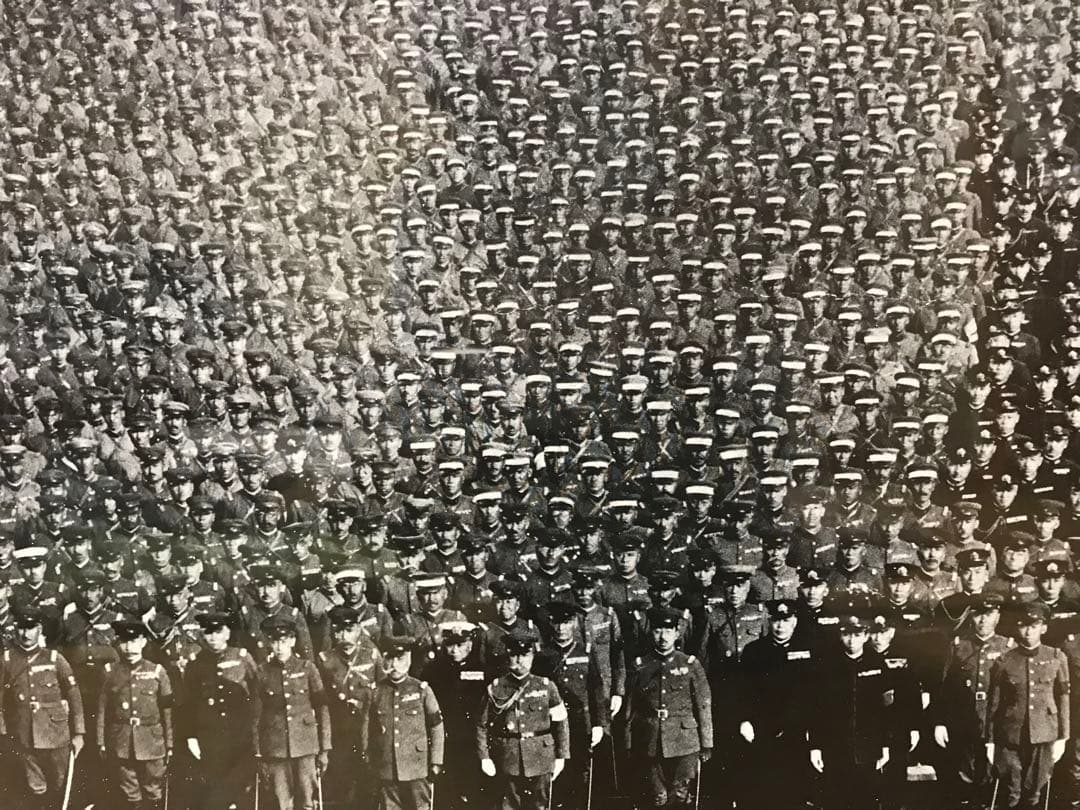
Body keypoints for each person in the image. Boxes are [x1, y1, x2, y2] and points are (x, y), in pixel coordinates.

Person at [624, 606, 712, 810]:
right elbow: (630, 708)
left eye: (668, 631)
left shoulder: (690, 664)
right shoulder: (640, 665)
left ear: (677, 633)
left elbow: (703, 706)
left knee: (680, 794)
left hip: (685, 741)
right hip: (649, 740)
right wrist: (628, 743)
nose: (663, 637)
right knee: (658, 797)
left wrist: (707, 743)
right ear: (651, 633)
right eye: (657, 631)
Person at [987, 602, 1071, 810]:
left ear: (1043, 628)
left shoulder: (1056, 657)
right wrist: (990, 740)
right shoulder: (1004, 660)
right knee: (1011, 788)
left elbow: (1063, 698)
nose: (1028, 631)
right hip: (1011, 733)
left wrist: (1063, 737)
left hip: (1044, 731)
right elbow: (994, 703)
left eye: (1034, 626)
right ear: (1017, 628)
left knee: (1035, 788)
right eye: (1023, 625)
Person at [0, 607, 85, 810]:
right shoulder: (6, 660)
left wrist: (79, 733)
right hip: (23, 736)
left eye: (31, 628)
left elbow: (74, 696)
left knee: (61, 784)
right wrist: (2, 730)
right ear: (15, 629)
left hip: (56, 736)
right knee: (35, 787)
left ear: (39, 629)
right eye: (22, 628)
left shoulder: (54, 658)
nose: (26, 634)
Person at [476, 628, 570, 810]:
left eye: (525, 654)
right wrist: (484, 757)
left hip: (541, 758)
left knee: (539, 805)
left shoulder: (546, 686)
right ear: (508, 656)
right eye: (514, 655)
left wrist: (562, 756)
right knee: (508, 806)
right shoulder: (495, 687)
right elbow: (481, 725)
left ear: (533, 657)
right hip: (508, 758)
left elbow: (561, 722)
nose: (520, 660)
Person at [808, 608, 890, 810]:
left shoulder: (878, 663)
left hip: (868, 748)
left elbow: (885, 710)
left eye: (857, 634)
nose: (852, 640)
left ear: (866, 636)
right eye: (846, 634)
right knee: (835, 801)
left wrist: (886, 745)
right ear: (840, 636)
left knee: (866, 801)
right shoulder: (826, 666)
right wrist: (815, 747)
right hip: (835, 748)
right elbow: (817, 710)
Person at [737, 598, 814, 810]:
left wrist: (810, 727)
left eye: (786, 620)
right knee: (762, 787)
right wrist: (745, 720)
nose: (780, 626)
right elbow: (742, 691)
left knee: (793, 789)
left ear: (794, 622)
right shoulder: (754, 650)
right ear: (769, 621)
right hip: (761, 728)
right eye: (776, 621)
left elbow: (814, 694)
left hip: (796, 729)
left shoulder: (807, 650)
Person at [251, 615, 332, 810]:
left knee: (308, 801)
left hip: (305, 746)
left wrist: (325, 748)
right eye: (274, 641)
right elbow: (255, 717)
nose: (279, 646)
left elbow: (322, 709)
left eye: (284, 640)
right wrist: (257, 752)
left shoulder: (308, 668)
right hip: (275, 748)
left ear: (293, 641)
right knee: (282, 802)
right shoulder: (261, 672)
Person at [182, 611, 260, 810]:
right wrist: (191, 736)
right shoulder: (195, 663)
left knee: (239, 786)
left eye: (218, 631)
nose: (213, 637)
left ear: (227, 633)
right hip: (210, 735)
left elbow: (257, 694)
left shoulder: (242, 658)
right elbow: (189, 703)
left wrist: (255, 728)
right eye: (208, 632)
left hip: (240, 733)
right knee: (214, 783)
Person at [97, 620, 174, 810]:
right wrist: (101, 741)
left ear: (143, 642)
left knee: (153, 788)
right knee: (129, 791)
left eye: (134, 641)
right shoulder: (109, 672)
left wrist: (170, 743)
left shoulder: (157, 672)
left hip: (152, 742)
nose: (129, 647)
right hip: (121, 741)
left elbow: (167, 712)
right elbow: (102, 709)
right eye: (124, 641)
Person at [366, 634, 445, 810]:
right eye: (390, 659)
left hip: (416, 766)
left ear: (409, 660)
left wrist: (436, 761)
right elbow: (367, 729)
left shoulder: (422, 690)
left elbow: (437, 727)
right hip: (387, 767)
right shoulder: (376, 692)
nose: (394, 665)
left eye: (400, 659)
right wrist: (370, 760)